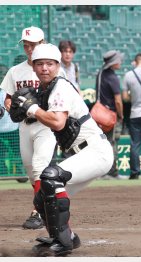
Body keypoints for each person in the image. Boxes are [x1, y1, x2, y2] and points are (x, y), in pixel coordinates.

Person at [17, 43, 113, 256]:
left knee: (50, 177)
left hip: (96, 151)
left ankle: (63, 243)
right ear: (32, 67)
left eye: (50, 64)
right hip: (84, 152)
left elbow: (58, 123)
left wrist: (31, 108)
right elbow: (23, 113)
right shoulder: (44, 90)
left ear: (58, 66)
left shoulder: (60, 86)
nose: (44, 68)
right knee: (41, 197)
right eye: (39, 64)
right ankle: (65, 236)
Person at [0, 26, 65, 230]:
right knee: (31, 173)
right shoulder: (15, 71)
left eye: (34, 44)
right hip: (24, 127)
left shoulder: (54, 69)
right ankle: (47, 202)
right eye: (26, 45)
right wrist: (11, 107)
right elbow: (8, 99)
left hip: (45, 125)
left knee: (39, 167)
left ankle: (38, 212)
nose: (29, 48)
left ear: (42, 43)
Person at [95, 50, 124, 179]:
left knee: (102, 143)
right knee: (111, 143)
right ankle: (112, 171)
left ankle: (102, 171)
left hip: (99, 114)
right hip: (110, 116)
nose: (120, 62)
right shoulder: (113, 77)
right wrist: (121, 116)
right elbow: (118, 101)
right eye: (118, 60)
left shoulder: (100, 74)